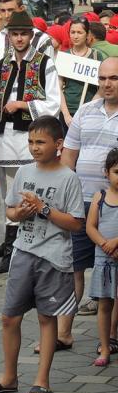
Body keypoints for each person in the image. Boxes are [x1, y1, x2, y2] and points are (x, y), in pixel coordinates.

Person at [0, 116, 84, 393]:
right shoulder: (24, 172)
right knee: (9, 317)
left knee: (46, 319)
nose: (34, 148)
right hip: (24, 252)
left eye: (40, 142)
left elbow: (75, 223)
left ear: (58, 145)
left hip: (54, 258)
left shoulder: (69, 178)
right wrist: (20, 213)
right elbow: (11, 211)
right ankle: (9, 376)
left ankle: (41, 380)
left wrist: (44, 209)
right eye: (31, 142)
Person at [56, 57, 118, 350]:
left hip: (114, 208)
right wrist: (64, 196)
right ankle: (63, 333)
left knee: (112, 270)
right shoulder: (85, 111)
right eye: (103, 78)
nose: (107, 84)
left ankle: (109, 337)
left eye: (114, 78)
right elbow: (69, 156)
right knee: (73, 268)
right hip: (80, 203)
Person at [0, 11, 61, 274]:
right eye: (14, 34)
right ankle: (10, 246)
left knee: (30, 188)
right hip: (3, 135)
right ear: (8, 36)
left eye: (23, 34)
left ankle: (29, 244)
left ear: (31, 36)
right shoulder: (3, 63)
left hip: (28, 136)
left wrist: (22, 104)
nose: (19, 38)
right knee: (7, 193)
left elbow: (53, 103)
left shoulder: (45, 63)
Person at [86, 148, 118, 366]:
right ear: (106, 173)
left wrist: (115, 241)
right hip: (104, 259)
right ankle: (104, 348)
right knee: (104, 304)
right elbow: (90, 226)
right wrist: (104, 243)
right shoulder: (100, 196)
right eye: (117, 171)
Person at [60, 17, 105, 128]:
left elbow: (102, 88)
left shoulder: (96, 56)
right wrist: (66, 116)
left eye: (79, 32)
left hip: (90, 113)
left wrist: (88, 110)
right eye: (72, 32)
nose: (75, 36)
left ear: (87, 34)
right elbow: (58, 88)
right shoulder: (65, 56)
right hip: (68, 112)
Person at [0, 0, 54, 69]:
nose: (6, 15)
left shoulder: (42, 40)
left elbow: (48, 73)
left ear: (22, 8)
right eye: (3, 11)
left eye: (11, 10)